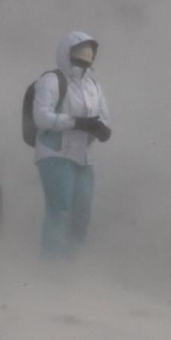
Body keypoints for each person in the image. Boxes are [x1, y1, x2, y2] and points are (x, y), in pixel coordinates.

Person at [32, 31, 111, 259]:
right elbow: (41, 118)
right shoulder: (51, 81)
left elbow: (104, 116)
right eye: (79, 52)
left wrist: (101, 128)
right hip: (55, 154)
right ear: (66, 53)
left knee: (82, 214)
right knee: (60, 210)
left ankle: (74, 263)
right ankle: (53, 265)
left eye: (89, 53)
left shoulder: (93, 86)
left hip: (84, 158)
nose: (84, 58)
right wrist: (76, 122)